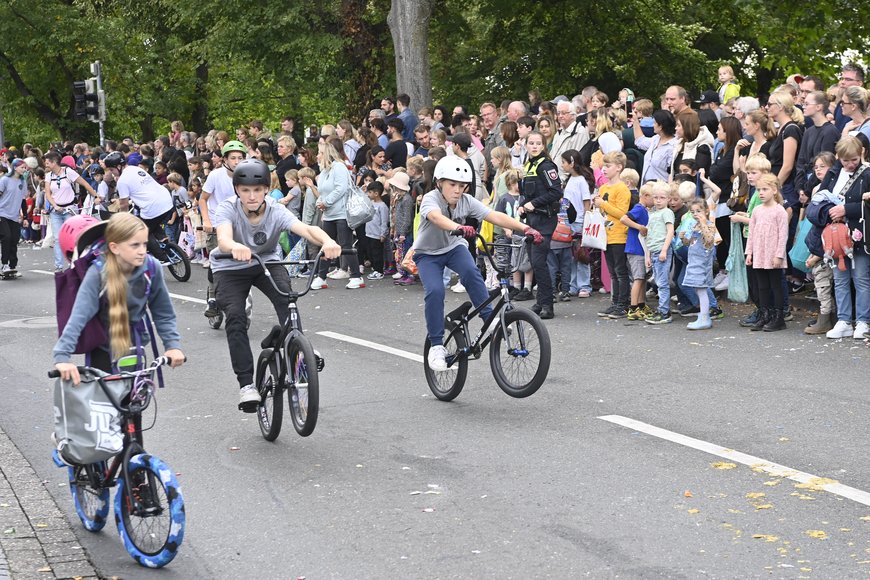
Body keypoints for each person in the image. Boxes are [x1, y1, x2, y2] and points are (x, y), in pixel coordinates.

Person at [211, 159, 341, 410]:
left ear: (265, 190)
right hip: (230, 267)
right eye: (245, 190)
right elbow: (223, 238)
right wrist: (235, 246)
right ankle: (247, 385)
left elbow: (307, 228)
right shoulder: (227, 209)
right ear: (237, 189)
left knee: (287, 299)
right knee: (236, 317)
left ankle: (299, 353)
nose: (251, 196)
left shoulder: (275, 210)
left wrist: (327, 241)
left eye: (257, 190)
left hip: (265, 263)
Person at [415, 156, 542, 372]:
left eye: (462, 185)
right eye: (452, 184)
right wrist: (457, 226)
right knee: (435, 291)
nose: (457, 190)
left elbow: (495, 215)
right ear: (439, 183)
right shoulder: (431, 198)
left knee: (472, 272)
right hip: (428, 254)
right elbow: (436, 218)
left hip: (454, 248)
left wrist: (525, 228)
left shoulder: (466, 200)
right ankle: (436, 347)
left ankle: (490, 320)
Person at [53, 213, 186, 384]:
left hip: (135, 346)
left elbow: (163, 312)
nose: (142, 251)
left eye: (145, 244)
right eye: (135, 245)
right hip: (102, 349)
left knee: (134, 404)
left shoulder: (152, 268)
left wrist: (173, 346)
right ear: (114, 247)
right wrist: (62, 357)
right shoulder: (98, 273)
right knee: (104, 407)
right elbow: (79, 316)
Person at [818, 136, 870, 340]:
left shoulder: (867, 173)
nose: (849, 164)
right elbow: (820, 199)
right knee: (840, 279)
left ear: (862, 154)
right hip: (835, 235)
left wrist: (846, 209)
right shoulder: (833, 173)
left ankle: (863, 321)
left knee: (861, 279)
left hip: (860, 234)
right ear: (838, 157)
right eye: (845, 160)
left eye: (854, 160)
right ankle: (844, 320)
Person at [200, 140, 247, 316]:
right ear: (225, 159)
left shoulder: (246, 175)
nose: (237, 162)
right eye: (233, 158)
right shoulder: (215, 175)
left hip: (238, 225)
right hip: (217, 224)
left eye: (240, 158)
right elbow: (203, 199)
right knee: (216, 262)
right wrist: (206, 221)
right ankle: (212, 298)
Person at [102, 152, 175, 263]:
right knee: (152, 224)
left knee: (141, 231)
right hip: (166, 201)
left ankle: (162, 258)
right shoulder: (135, 169)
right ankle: (165, 242)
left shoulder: (122, 181)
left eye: (112, 170)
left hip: (153, 207)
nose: (112, 173)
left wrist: (124, 220)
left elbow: (124, 204)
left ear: (118, 166)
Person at [520, 131, 563, 319]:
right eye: (531, 143)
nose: (535, 146)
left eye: (538, 143)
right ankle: (540, 301)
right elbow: (529, 193)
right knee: (535, 262)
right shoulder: (529, 164)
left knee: (539, 261)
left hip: (545, 219)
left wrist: (534, 204)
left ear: (543, 146)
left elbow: (556, 192)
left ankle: (547, 304)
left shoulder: (546, 166)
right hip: (532, 219)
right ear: (526, 145)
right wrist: (524, 206)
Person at [311, 139, 364, 289]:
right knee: (326, 244)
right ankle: (321, 277)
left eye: (320, 153)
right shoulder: (324, 170)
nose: (317, 155)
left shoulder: (339, 167)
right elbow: (323, 190)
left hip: (341, 213)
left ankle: (356, 276)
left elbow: (341, 188)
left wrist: (326, 202)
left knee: (345, 244)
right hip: (328, 213)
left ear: (326, 154)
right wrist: (321, 201)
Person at [745, 174, 789, 331]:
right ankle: (765, 315)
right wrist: (749, 253)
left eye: (765, 189)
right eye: (758, 190)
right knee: (762, 286)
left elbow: (783, 235)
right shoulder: (757, 211)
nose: (761, 193)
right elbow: (752, 233)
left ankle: (779, 317)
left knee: (775, 285)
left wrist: (779, 255)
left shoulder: (779, 211)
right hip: (759, 254)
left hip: (773, 256)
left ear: (774, 190)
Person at [44, 151, 99, 271]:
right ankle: (59, 265)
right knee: (57, 238)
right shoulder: (49, 176)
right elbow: (48, 194)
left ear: (54, 162)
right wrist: (55, 205)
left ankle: (73, 262)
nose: (46, 165)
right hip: (56, 210)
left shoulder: (68, 172)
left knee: (73, 237)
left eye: (48, 163)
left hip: (70, 209)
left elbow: (84, 183)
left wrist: (96, 196)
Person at [593, 152, 632, 318]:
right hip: (605, 235)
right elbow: (603, 212)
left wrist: (604, 204)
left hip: (618, 235)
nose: (604, 169)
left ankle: (623, 304)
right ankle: (615, 302)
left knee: (620, 271)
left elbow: (622, 213)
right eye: (604, 166)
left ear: (619, 168)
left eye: (608, 166)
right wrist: (597, 206)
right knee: (613, 272)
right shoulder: (603, 188)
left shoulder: (622, 189)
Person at [560, 150, 594, 297]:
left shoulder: (581, 181)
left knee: (581, 255)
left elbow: (586, 202)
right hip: (568, 221)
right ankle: (573, 284)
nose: (562, 165)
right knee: (572, 256)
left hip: (579, 221)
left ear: (572, 163)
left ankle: (584, 285)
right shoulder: (570, 180)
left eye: (564, 162)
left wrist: (586, 221)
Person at [681, 199, 719, 330]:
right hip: (693, 261)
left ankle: (704, 317)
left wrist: (703, 223)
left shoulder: (709, 225)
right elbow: (689, 243)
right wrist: (683, 238)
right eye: (693, 212)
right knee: (698, 289)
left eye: (699, 211)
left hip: (702, 263)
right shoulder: (693, 225)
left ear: (706, 211)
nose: (696, 214)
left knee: (702, 289)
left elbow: (709, 240)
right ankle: (703, 315)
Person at [643, 181, 676, 324]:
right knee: (658, 282)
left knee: (662, 283)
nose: (658, 200)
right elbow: (649, 236)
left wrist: (664, 250)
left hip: (662, 251)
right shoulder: (652, 214)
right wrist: (647, 255)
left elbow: (670, 231)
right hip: (654, 250)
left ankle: (664, 312)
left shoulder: (667, 212)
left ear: (668, 199)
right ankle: (662, 309)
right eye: (655, 197)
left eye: (662, 198)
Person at [619, 183, 652, 320]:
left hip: (641, 249)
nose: (655, 201)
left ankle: (641, 304)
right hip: (636, 248)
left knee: (642, 278)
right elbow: (624, 219)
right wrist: (639, 227)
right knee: (638, 278)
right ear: (645, 196)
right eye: (653, 197)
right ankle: (633, 307)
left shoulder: (646, 210)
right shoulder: (638, 208)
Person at [0, 159, 28, 277]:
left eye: (25, 168)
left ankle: (12, 266)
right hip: (2, 213)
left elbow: (23, 201)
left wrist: (25, 217)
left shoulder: (23, 182)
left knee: (14, 239)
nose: (24, 170)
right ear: (15, 167)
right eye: (22, 167)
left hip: (14, 216)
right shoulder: (5, 180)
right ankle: (4, 264)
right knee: (7, 237)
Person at [634, 110, 677, 184]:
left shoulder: (673, 147)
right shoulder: (656, 139)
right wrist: (635, 121)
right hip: (646, 188)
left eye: (654, 123)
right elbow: (640, 142)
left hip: (660, 191)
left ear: (660, 126)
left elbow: (672, 173)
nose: (652, 125)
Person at [364, 181, 388, 280]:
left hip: (377, 234)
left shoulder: (382, 206)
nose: (368, 194)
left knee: (377, 253)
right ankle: (375, 269)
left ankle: (379, 271)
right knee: (370, 252)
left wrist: (383, 234)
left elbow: (384, 221)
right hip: (369, 232)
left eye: (369, 192)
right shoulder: (371, 203)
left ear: (376, 193)